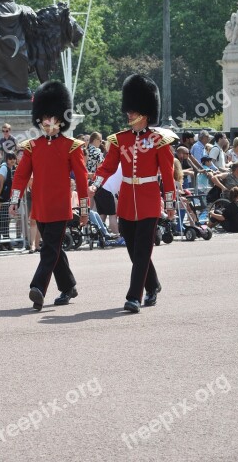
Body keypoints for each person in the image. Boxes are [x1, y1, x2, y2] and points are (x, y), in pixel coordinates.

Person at [91, 74, 176, 314]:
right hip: (127, 200)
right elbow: (107, 167)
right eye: (129, 109)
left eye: (134, 109)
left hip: (149, 199)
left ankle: (133, 297)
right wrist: (95, 185)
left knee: (142, 251)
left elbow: (168, 176)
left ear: (145, 112)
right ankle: (153, 284)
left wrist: (169, 205)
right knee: (132, 248)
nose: (128, 113)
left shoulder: (159, 140)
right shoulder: (120, 140)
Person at [9, 81, 89, 311]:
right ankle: (68, 286)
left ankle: (38, 288)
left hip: (60, 208)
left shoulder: (72, 146)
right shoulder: (33, 146)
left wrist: (83, 210)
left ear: (60, 120)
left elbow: (82, 180)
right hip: (41, 208)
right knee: (55, 250)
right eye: (44, 117)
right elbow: (20, 177)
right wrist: (14, 200)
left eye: (51, 117)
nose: (47, 121)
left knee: (49, 249)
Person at [0, 152, 17, 251]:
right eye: (10, 158)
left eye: (13, 158)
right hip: (0, 198)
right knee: (0, 222)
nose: (12, 160)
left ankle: (6, 243)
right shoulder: (4, 168)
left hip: (6, 199)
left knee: (5, 222)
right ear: (6, 159)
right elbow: (1, 184)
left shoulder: (11, 168)